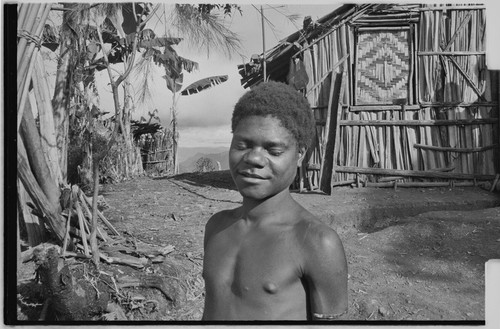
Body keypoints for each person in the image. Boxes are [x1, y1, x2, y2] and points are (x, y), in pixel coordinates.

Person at [202, 81, 348, 321]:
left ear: (299, 154)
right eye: (243, 145)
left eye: (274, 150)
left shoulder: (317, 242)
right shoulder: (217, 227)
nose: (254, 159)